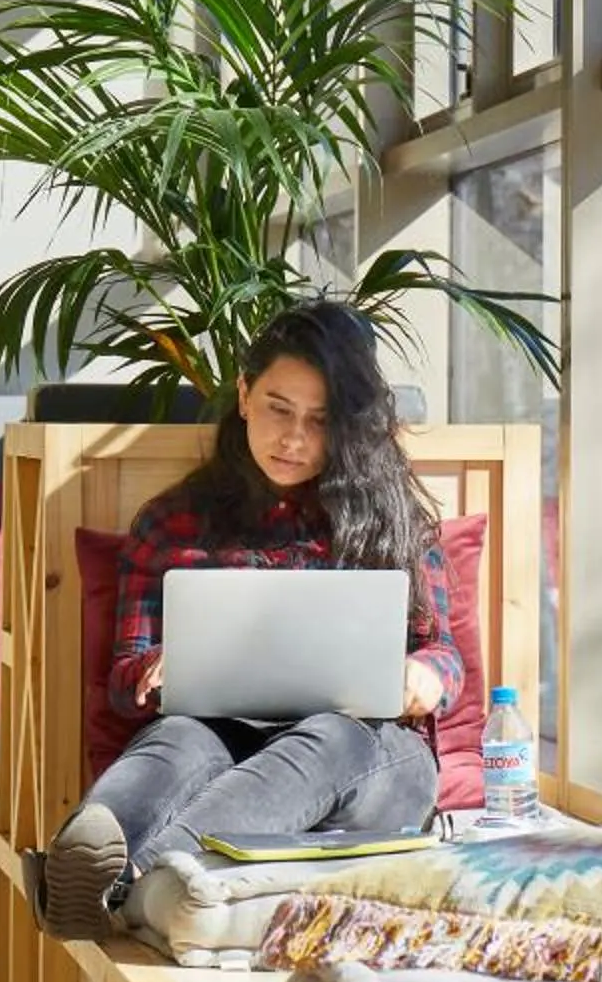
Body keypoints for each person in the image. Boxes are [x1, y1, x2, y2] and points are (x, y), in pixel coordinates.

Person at [33, 299, 459, 942]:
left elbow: (444, 655)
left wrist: (424, 674)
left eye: (319, 421)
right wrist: (153, 670)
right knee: (176, 740)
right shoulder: (173, 522)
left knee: (328, 738)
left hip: (371, 756)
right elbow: (124, 680)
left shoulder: (392, 518)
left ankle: (130, 874)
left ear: (348, 426)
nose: (293, 439)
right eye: (278, 409)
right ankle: (91, 848)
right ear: (242, 395)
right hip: (218, 734)